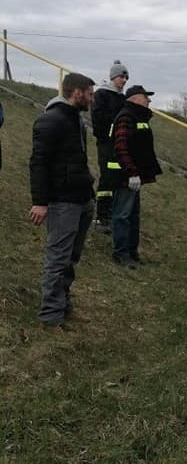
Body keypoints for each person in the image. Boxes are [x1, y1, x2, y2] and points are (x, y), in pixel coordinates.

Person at [29, 73, 96, 331]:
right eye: (89, 94)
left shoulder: (75, 120)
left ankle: (64, 305)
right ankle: (51, 316)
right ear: (76, 92)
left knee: (71, 258)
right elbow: (38, 162)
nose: (91, 99)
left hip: (81, 200)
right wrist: (40, 202)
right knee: (58, 259)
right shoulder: (51, 120)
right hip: (62, 203)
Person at [107, 85, 162, 268]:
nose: (149, 100)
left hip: (134, 178)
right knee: (122, 215)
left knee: (132, 215)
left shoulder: (137, 116)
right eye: (146, 97)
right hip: (125, 178)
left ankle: (131, 252)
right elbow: (121, 147)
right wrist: (132, 172)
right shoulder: (126, 117)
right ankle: (121, 253)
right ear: (135, 99)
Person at [91, 60, 129, 233]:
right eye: (122, 76)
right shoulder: (101, 94)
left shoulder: (122, 97)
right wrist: (108, 134)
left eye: (126, 77)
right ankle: (101, 216)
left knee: (117, 177)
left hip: (119, 144)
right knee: (106, 178)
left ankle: (113, 214)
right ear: (114, 77)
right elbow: (98, 118)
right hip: (107, 144)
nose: (124, 80)